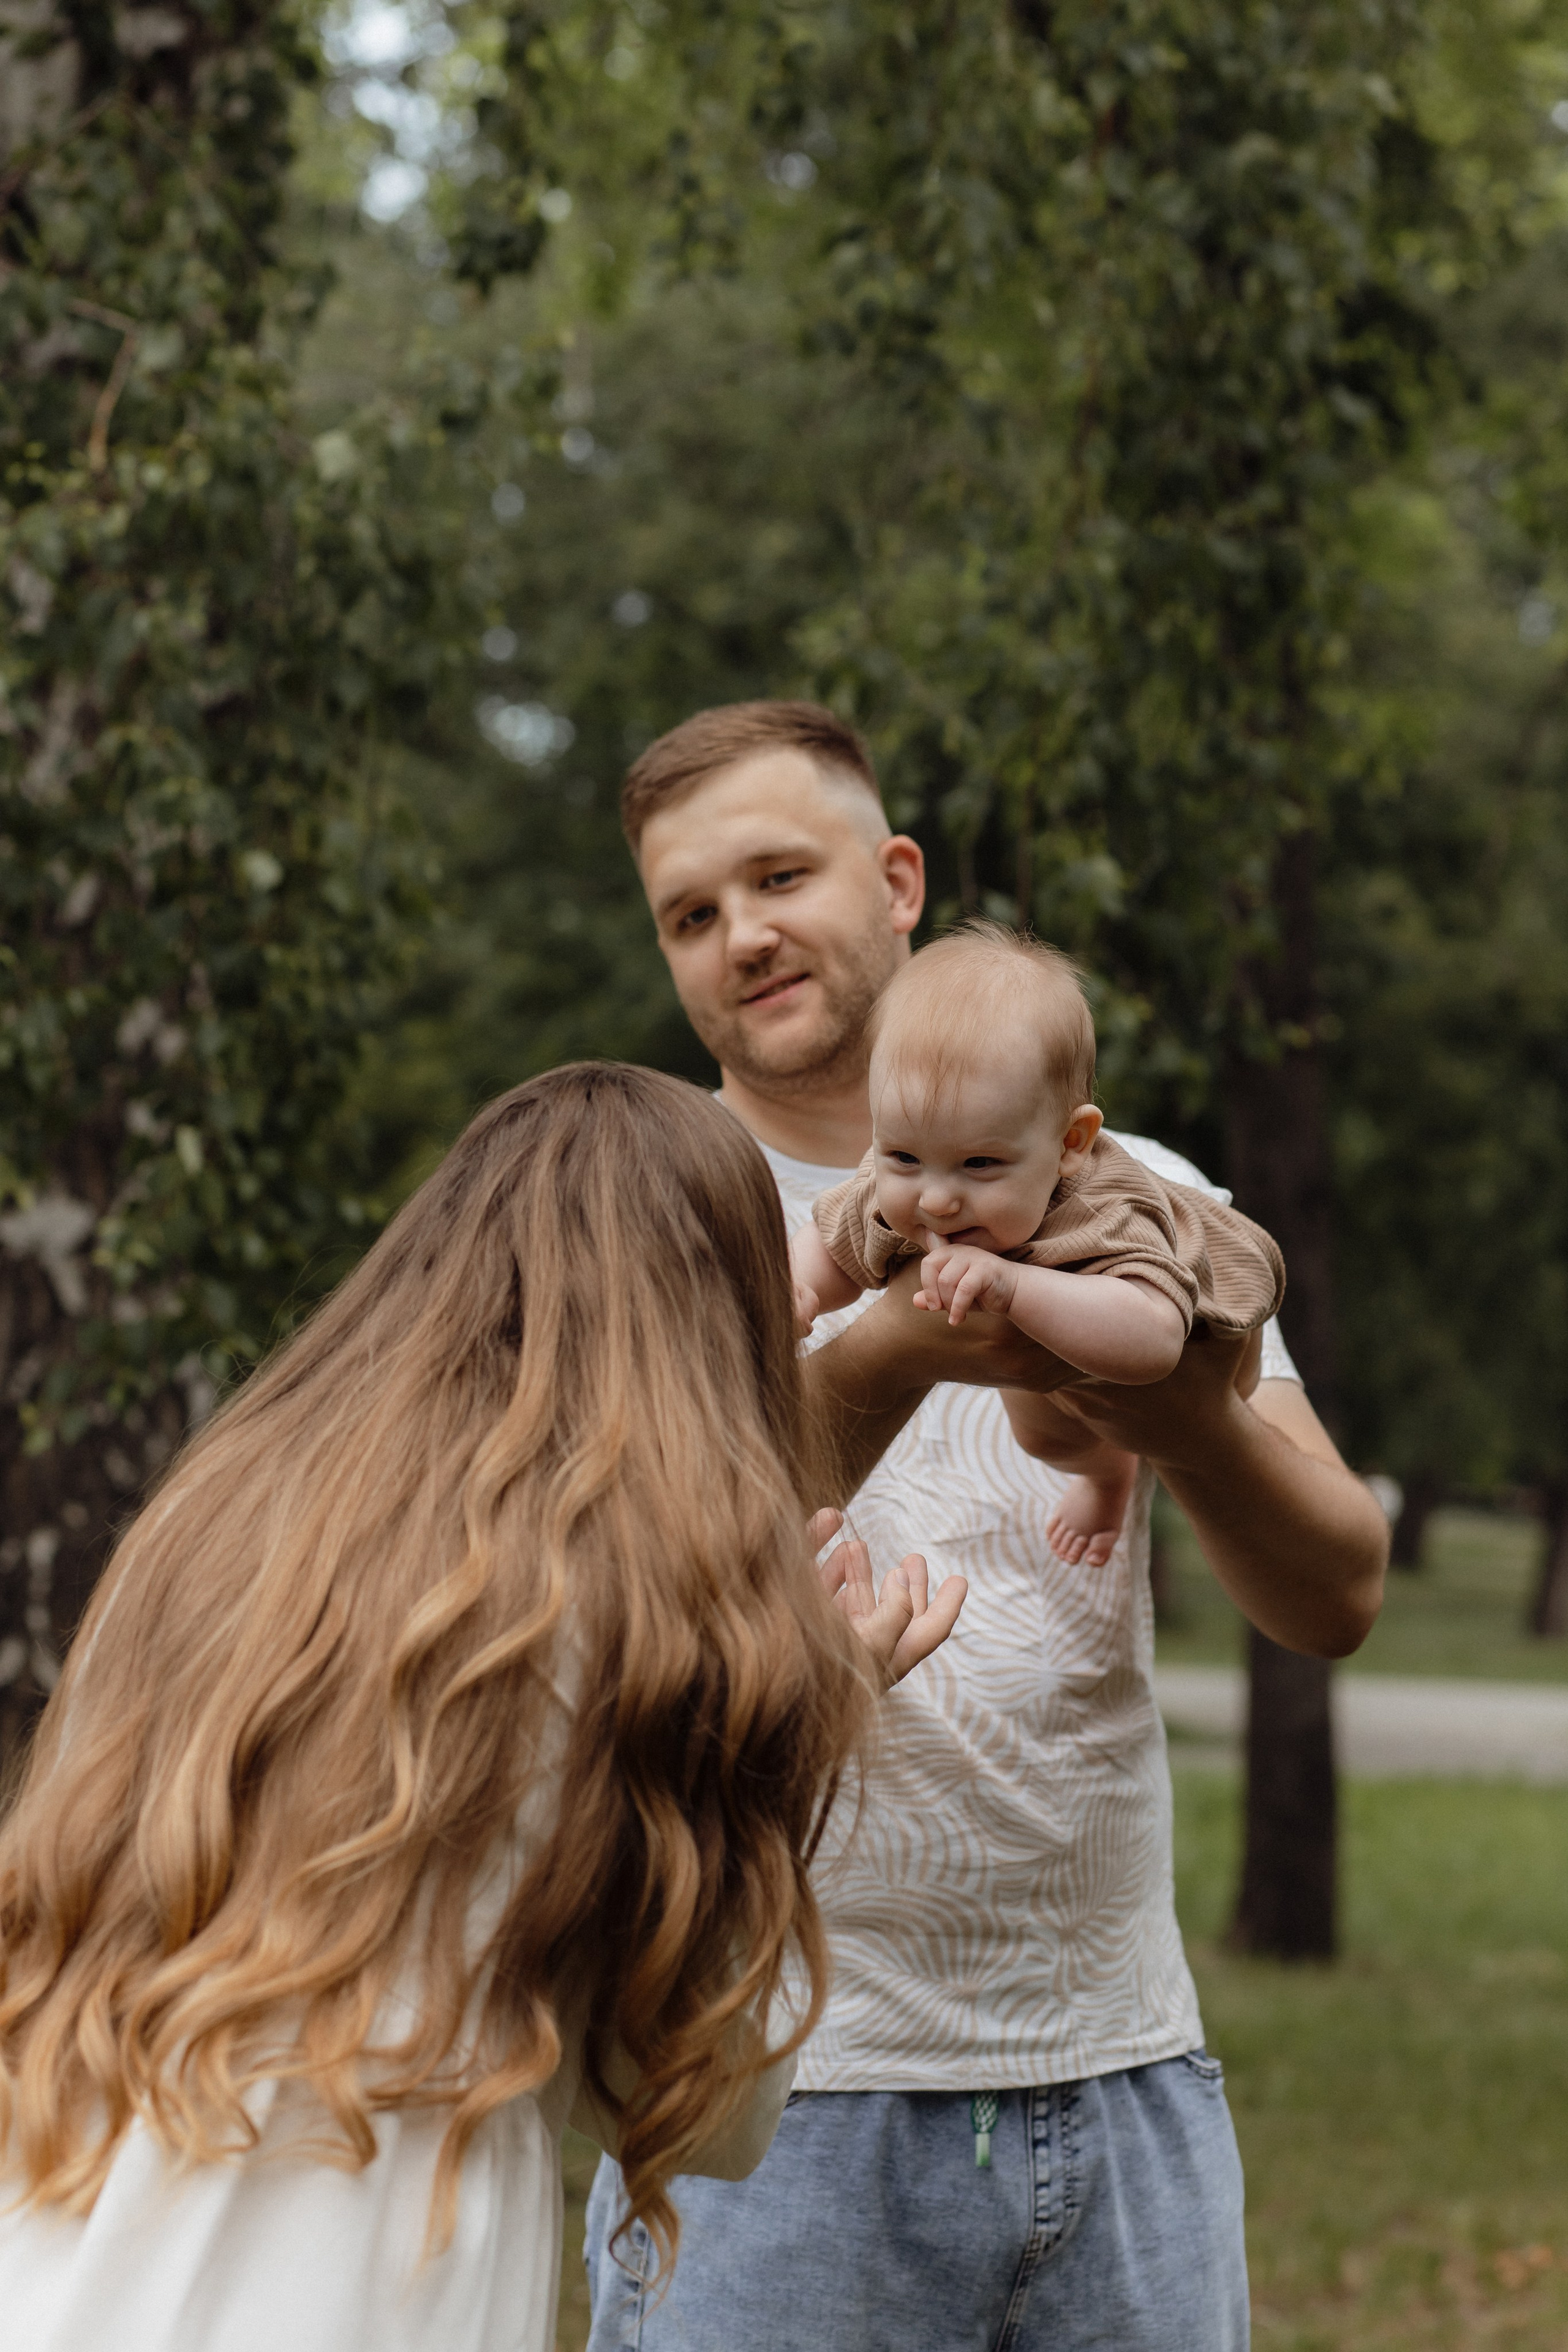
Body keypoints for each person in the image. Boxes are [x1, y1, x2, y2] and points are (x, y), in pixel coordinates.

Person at [585, 701, 1389, 2352]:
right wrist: (886, 1348)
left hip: (1124, 2081)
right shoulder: (638, 1216)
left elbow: (1336, 1589)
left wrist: (1179, 1419)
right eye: (690, 913)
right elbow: (623, 1586)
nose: (741, 936)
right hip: (773, 2103)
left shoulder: (1131, 1198)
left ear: (894, 879)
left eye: (776, 876)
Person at [0, 1063, 965, 2352]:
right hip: (354, 2299)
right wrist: (797, 1733)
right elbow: (704, 2112)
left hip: (64, 2255)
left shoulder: (211, 1530)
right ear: (711, 1329)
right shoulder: (634, 1621)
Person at [793, 922, 1286, 1567]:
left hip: (1203, 1334)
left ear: (1068, 1146)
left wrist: (1014, 1286)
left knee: (1070, 1413)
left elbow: (1156, 1337)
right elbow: (835, 1245)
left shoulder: (1106, 1210)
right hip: (1069, 1356)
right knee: (1042, 1432)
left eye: (979, 1165)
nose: (935, 1200)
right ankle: (1106, 1469)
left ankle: (1110, 1476)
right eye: (904, 1155)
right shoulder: (897, 1180)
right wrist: (791, 1290)